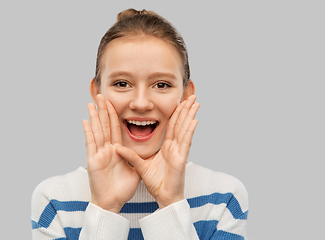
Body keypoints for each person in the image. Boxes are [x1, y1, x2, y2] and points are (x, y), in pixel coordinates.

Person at [31, 8, 249, 240]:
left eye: (162, 85)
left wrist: (170, 203)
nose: (141, 103)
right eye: (122, 83)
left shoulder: (224, 198)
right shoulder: (53, 200)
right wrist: (105, 208)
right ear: (96, 92)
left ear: (186, 95)